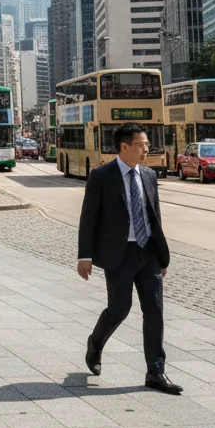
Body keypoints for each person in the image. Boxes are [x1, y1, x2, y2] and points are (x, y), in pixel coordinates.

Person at [77, 123, 180, 395]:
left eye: (147, 144)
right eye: (141, 145)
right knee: (119, 309)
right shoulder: (101, 175)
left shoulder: (148, 175)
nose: (146, 149)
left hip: (148, 253)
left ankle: (156, 371)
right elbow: (88, 218)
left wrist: (162, 256)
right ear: (124, 147)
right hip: (119, 254)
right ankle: (96, 343)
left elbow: (154, 216)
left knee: (155, 310)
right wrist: (84, 256)